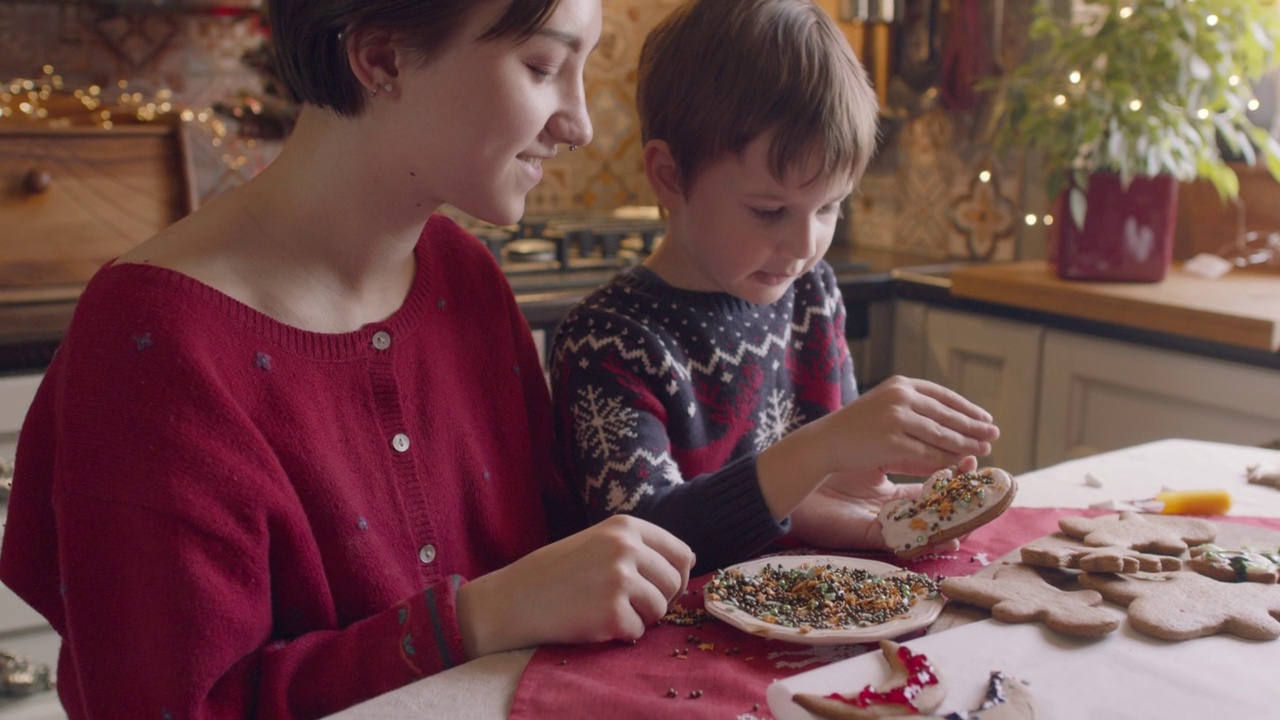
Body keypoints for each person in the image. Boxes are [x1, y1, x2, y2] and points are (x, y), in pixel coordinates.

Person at [0, 0, 695, 717]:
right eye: (544, 67)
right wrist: (480, 618)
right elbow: (176, 706)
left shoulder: (464, 276)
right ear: (381, 60)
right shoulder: (151, 342)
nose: (579, 124)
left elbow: (570, 571)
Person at [549, 0, 1000, 575]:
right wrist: (821, 450)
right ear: (670, 177)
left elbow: (813, 485)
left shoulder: (811, 294)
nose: (803, 245)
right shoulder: (607, 341)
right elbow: (645, 547)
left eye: (831, 206)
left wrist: (834, 496)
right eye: (768, 211)